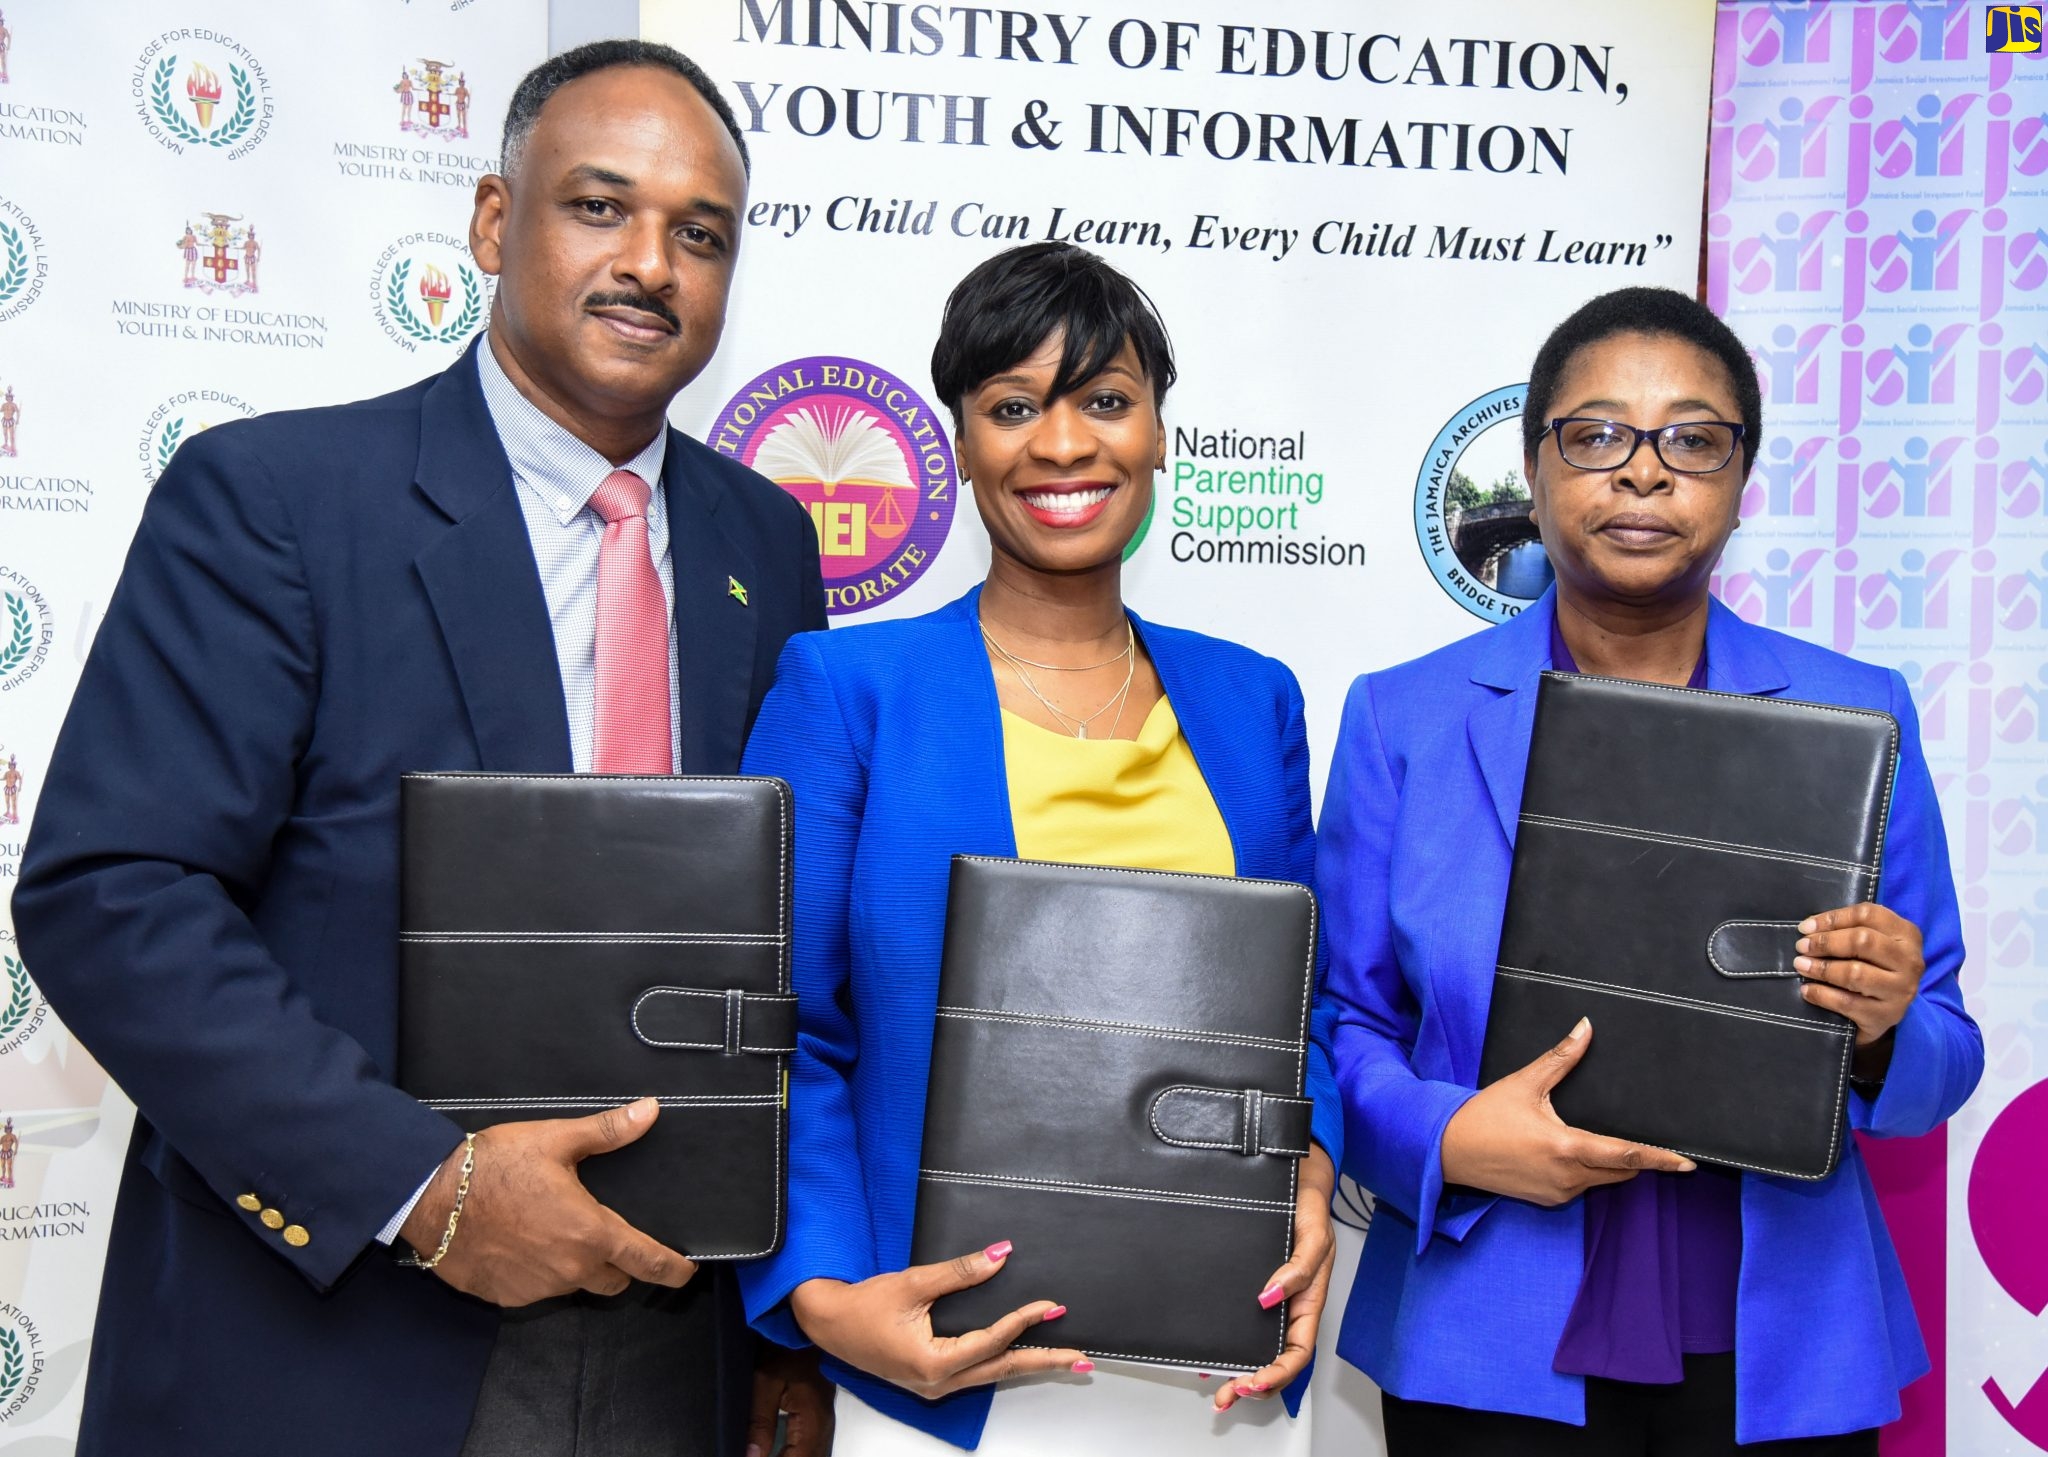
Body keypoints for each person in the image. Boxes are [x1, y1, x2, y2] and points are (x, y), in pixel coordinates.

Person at [14, 39, 833, 1457]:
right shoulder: (275, 501)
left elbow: (774, 943)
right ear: (492, 220)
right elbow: (111, 895)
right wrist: (427, 1188)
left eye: (700, 234)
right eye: (598, 206)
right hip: (335, 1341)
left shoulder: (766, 542)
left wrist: (787, 1316)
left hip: (671, 1350)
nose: (651, 261)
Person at [1317, 286, 1982, 1455]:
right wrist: (1445, 1137)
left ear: (1737, 479)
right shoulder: (1402, 718)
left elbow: (1942, 1047)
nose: (1641, 473)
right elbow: (1340, 1022)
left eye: (1689, 438)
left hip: (1781, 1338)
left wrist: (1879, 1029)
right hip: (1483, 1329)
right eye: (1595, 435)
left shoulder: (1855, 712)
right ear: (1533, 471)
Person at [737, 241, 1343, 1454]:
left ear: (1161, 431)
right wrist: (824, 1295)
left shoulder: (1250, 697)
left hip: (1222, 1365)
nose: (1063, 446)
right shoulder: (851, 687)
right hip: (944, 1364)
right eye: (1013, 407)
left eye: (1106, 401)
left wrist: (1311, 1174)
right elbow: (772, 1023)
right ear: (959, 444)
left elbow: (1304, 1005)